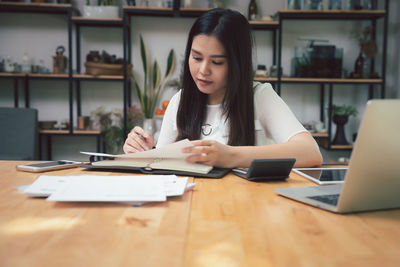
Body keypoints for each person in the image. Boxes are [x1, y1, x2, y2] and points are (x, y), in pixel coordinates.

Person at [123, 8, 322, 168]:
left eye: (217, 62)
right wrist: (147, 152)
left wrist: (231, 156)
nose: (203, 70)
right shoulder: (179, 101)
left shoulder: (259, 96)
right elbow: (162, 166)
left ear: (238, 63)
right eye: (196, 57)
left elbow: (310, 153)